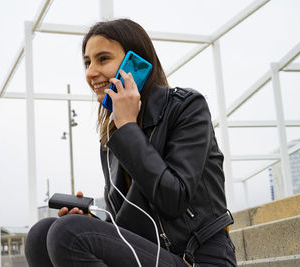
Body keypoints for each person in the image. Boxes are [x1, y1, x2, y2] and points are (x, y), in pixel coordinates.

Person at [25, 18, 237, 267]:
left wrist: (127, 127)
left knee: (68, 233)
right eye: (87, 62)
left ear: (136, 64)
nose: (91, 72)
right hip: (157, 257)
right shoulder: (111, 140)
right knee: (41, 234)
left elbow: (173, 199)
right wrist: (92, 221)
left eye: (103, 59)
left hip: (198, 259)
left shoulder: (187, 108)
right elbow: (131, 226)